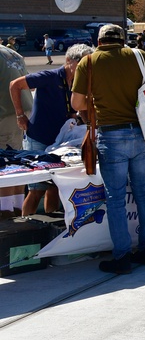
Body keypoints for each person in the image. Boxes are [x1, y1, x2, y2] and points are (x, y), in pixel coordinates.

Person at [71, 24, 145, 275]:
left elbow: (77, 102)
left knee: (116, 198)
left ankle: (122, 256)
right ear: (122, 40)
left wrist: (97, 97)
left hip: (111, 135)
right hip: (142, 133)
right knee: (143, 192)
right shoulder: (139, 56)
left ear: (98, 41)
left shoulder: (88, 62)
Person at [10, 43, 93, 215]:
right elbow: (15, 85)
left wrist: (88, 127)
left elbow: (83, 108)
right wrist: (20, 115)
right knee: (36, 189)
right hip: (39, 138)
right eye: (82, 63)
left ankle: (51, 226)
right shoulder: (50, 76)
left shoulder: (80, 82)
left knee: (55, 187)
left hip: (61, 140)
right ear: (69, 60)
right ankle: (27, 226)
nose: (85, 68)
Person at [0, 43, 30, 208]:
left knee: (3, 161)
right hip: (23, 108)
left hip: (6, 110)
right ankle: (17, 206)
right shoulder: (12, 53)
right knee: (15, 158)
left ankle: (6, 210)